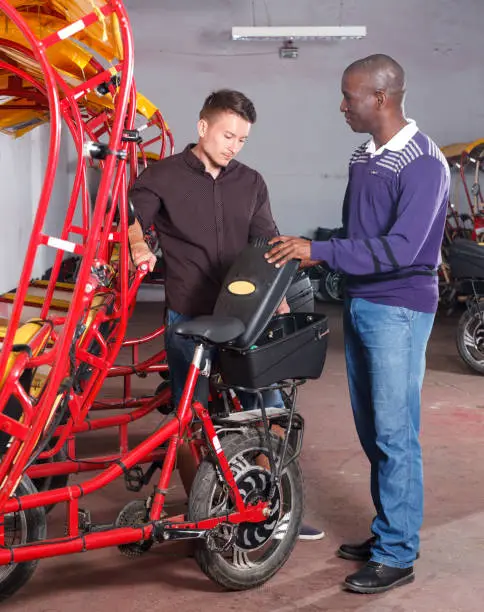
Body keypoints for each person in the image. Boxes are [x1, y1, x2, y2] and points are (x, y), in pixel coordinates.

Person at [266, 54, 450, 592]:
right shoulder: (365, 154)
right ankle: (387, 528)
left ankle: (398, 552)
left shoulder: (424, 163)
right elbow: (357, 229)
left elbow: (402, 248)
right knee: (372, 429)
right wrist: (326, 253)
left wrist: (318, 251)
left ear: (381, 99)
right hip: (363, 302)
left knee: (396, 433)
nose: (342, 105)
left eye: (350, 96)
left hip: (400, 307)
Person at [128, 88, 324, 541]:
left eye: (241, 140)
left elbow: (269, 243)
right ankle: (206, 516)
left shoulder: (251, 182)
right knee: (191, 418)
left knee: (270, 412)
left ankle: (270, 506)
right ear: (203, 127)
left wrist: (279, 300)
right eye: (227, 135)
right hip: (189, 319)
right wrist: (138, 242)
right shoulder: (161, 176)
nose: (233, 146)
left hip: (245, 318)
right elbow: (129, 215)